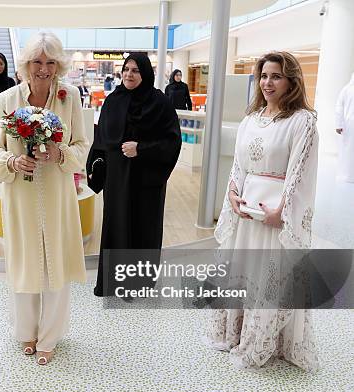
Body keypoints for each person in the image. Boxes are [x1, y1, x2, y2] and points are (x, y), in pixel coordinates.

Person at [207, 51, 319, 372]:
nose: (268, 83)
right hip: (246, 214)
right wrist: (231, 193)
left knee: (271, 277)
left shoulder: (302, 122)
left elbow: (300, 173)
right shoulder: (250, 119)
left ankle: (264, 340)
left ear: (291, 81)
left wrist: (282, 213)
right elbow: (239, 166)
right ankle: (239, 331)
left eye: (276, 76)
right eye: (264, 76)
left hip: (273, 217)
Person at [0, 32, 88, 365]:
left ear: (59, 65)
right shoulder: (8, 99)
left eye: (50, 62)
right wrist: (13, 161)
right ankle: (26, 331)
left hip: (58, 193)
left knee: (55, 262)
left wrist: (60, 153)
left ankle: (50, 336)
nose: (43, 69)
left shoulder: (69, 96)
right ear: (25, 65)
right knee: (25, 261)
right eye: (36, 62)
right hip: (21, 195)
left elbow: (81, 146)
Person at [86, 53, 181, 297]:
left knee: (143, 227)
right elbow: (101, 140)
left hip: (146, 180)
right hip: (117, 179)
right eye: (126, 69)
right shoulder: (113, 101)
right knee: (117, 225)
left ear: (146, 73)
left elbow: (171, 142)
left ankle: (137, 286)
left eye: (135, 70)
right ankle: (112, 282)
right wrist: (96, 171)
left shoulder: (159, 103)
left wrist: (141, 148)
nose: (129, 74)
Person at [335, 72, 354, 183]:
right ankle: (346, 175)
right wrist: (339, 124)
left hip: (348, 125)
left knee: (347, 150)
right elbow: (339, 107)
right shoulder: (347, 90)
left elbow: (338, 108)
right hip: (348, 126)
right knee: (347, 150)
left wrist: (339, 124)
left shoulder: (346, 89)